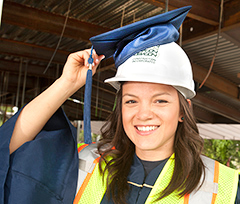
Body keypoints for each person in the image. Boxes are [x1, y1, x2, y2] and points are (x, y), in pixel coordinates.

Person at [0, 6, 239, 204]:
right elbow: (9, 150)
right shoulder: (86, 162)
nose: (143, 114)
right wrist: (67, 84)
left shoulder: (226, 187)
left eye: (161, 100)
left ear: (183, 110)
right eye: (131, 101)